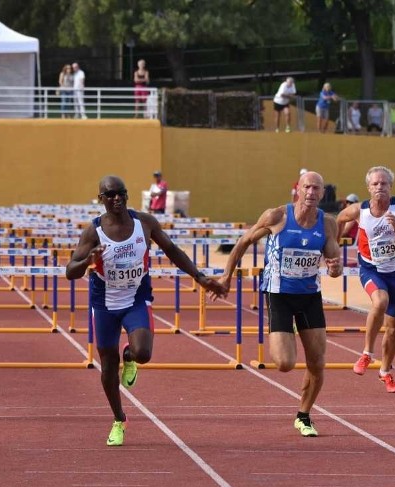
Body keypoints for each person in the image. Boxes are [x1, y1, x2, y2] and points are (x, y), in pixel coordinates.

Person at [65, 175, 226, 445]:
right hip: (104, 302)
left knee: (143, 353)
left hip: (136, 298)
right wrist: (89, 260)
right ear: (101, 199)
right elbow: (71, 271)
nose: (117, 198)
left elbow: (172, 249)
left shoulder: (145, 223)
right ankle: (119, 419)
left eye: (122, 193)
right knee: (107, 365)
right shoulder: (93, 231)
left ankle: (129, 356)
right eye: (111, 194)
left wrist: (199, 277)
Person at [213, 171, 342, 436]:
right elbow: (243, 242)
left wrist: (335, 267)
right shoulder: (278, 216)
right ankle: (287, 333)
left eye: (316, 188)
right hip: (279, 294)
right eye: (307, 187)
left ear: (322, 193)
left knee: (317, 362)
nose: (311, 193)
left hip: (309, 296)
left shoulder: (328, 224)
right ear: (297, 189)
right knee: (285, 363)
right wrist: (227, 276)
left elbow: (333, 262)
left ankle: (304, 416)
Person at [335, 166, 395, 393]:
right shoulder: (359, 210)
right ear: (368, 188)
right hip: (370, 269)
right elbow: (339, 220)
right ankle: (366, 354)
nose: (379, 187)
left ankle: (385, 372)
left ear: (390, 186)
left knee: (393, 328)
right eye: (375, 184)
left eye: (383, 183)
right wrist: (333, 248)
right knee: (379, 301)